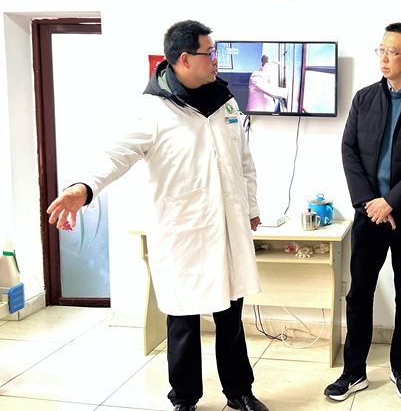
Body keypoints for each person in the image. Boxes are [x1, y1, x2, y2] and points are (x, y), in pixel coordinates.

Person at [46, 20, 270, 411]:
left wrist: (250, 209)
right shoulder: (151, 109)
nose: (216, 60)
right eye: (210, 53)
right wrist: (84, 187)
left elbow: (244, 163)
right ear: (185, 59)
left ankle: (239, 392)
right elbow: (115, 154)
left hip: (228, 230)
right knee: (183, 322)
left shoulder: (226, 103)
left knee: (230, 319)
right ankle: (184, 398)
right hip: (183, 233)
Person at [324, 22, 401, 402]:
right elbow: (349, 152)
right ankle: (354, 372)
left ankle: (400, 369)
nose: (384, 57)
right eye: (381, 50)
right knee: (358, 293)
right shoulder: (364, 99)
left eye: (392, 51)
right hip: (368, 215)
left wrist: (390, 201)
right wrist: (369, 203)